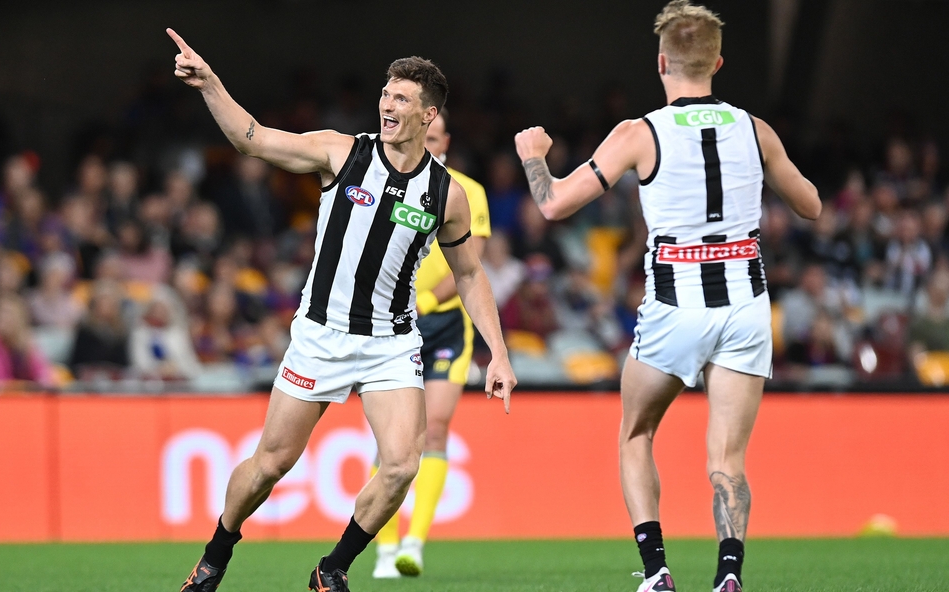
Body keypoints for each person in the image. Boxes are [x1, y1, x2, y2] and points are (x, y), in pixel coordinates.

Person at [167, 28, 515, 592]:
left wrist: (498, 352)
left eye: (402, 98)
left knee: (402, 465)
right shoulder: (343, 151)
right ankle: (216, 553)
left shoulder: (445, 194)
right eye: (385, 93)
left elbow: (470, 274)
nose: (387, 104)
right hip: (321, 335)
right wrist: (210, 85)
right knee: (271, 464)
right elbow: (253, 139)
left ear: (428, 115)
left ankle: (331, 570)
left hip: (391, 343)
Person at [513, 2, 820, 591]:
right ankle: (728, 574)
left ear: (661, 62)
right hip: (744, 304)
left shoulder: (639, 133)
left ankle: (656, 571)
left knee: (636, 432)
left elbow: (552, 204)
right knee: (727, 459)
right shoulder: (755, 130)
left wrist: (533, 157)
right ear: (718, 63)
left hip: (676, 306)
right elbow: (810, 206)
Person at [371, 110, 491, 578]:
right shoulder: (387, 182)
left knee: (435, 429)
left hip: (444, 325)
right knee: (390, 439)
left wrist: (425, 300)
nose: (432, 144)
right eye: (427, 137)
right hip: (392, 322)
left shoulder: (466, 191)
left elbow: (470, 266)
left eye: (438, 138)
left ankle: (414, 542)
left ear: (446, 141)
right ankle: (383, 548)